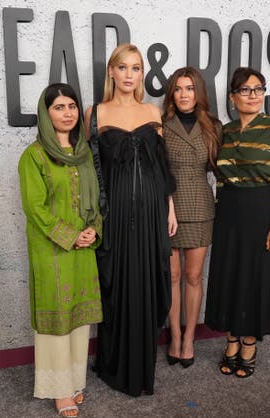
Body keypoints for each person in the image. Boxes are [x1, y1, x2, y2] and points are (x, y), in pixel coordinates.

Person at [85, 43, 177, 396]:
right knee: (117, 283)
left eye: (135, 68)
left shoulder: (153, 112)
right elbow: (89, 169)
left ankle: (142, 364)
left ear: (141, 74)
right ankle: (114, 364)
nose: (128, 75)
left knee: (149, 280)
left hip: (153, 209)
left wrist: (169, 208)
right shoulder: (95, 112)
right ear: (111, 71)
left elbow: (161, 166)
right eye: (122, 67)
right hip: (116, 214)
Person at [18, 83, 103, 417]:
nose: (67, 113)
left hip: (83, 249)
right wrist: (70, 235)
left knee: (79, 319)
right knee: (57, 319)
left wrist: (93, 229)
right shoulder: (34, 156)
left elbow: (95, 200)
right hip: (52, 249)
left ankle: (74, 381)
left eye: (71, 107)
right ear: (46, 112)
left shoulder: (83, 154)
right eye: (59, 107)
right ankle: (57, 390)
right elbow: (35, 208)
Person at [205, 67, 270, 378]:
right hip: (229, 212)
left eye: (258, 89)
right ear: (232, 97)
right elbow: (219, 177)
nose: (253, 95)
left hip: (260, 213)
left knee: (256, 276)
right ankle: (231, 337)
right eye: (245, 90)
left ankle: (249, 343)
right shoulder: (225, 131)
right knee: (230, 275)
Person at [161, 67, 222, 368]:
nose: (184, 94)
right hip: (168, 207)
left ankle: (189, 338)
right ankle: (173, 336)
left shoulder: (213, 126)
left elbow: (221, 169)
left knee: (193, 277)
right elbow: (156, 171)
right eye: (178, 89)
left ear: (199, 93)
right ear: (172, 93)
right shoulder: (160, 125)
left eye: (190, 88)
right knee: (171, 276)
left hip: (199, 206)